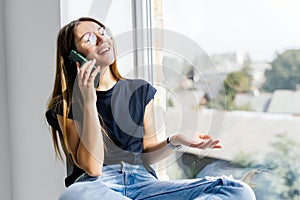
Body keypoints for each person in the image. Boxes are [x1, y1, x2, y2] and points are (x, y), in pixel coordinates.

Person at [45, 17, 256, 200]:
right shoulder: (65, 105)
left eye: (102, 32)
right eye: (89, 39)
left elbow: (146, 155)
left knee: (237, 190)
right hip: (99, 187)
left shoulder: (139, 90)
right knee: (73, 196)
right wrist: (88, 101)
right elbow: (92, 167)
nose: (102, 39)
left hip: (144, 183)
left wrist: (175, 140)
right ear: (74, 56)